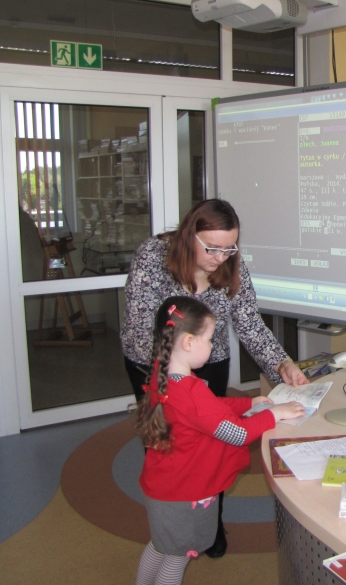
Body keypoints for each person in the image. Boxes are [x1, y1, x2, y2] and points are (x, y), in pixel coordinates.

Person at [121, 198, 309, 557]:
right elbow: (142, 326)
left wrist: (281, 363)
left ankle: (208, 520)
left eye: (229, 248)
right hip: (155, 363)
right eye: (211, 248)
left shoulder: (231, 265)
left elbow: (249, 322)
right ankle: (170, 523)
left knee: (212, 445)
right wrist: (181, 380)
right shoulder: (153, 256)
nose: (220, 257)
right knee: (170, 449)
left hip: (209, 358)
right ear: (189, 235)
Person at [134, 296, 305, 585]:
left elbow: (210, 409)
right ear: (189, 342)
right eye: (210, 339)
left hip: (163, 488)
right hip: (183, 494)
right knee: (178, 557)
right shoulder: (190, 393)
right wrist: (274, 414)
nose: (213, 346)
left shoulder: (165, 376)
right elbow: (237, 434)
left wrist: (247, 404)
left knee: (161, 547)